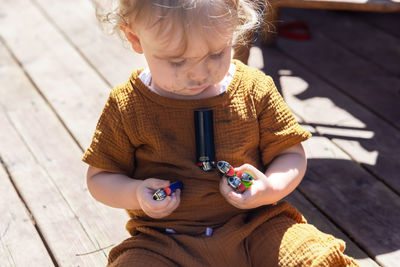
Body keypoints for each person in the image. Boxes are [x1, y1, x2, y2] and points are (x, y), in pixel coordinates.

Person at [83, 0, 359, 266]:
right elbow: (100, 177)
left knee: (313, 257)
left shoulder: (254, 90)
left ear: (234, 26)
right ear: (135, 38)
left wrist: (270, 187)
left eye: (216, 53)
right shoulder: (127, 104)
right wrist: (136, 193)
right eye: (177, 62)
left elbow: (290, 153)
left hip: (258, 225)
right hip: (165, 241)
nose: (200, 74)